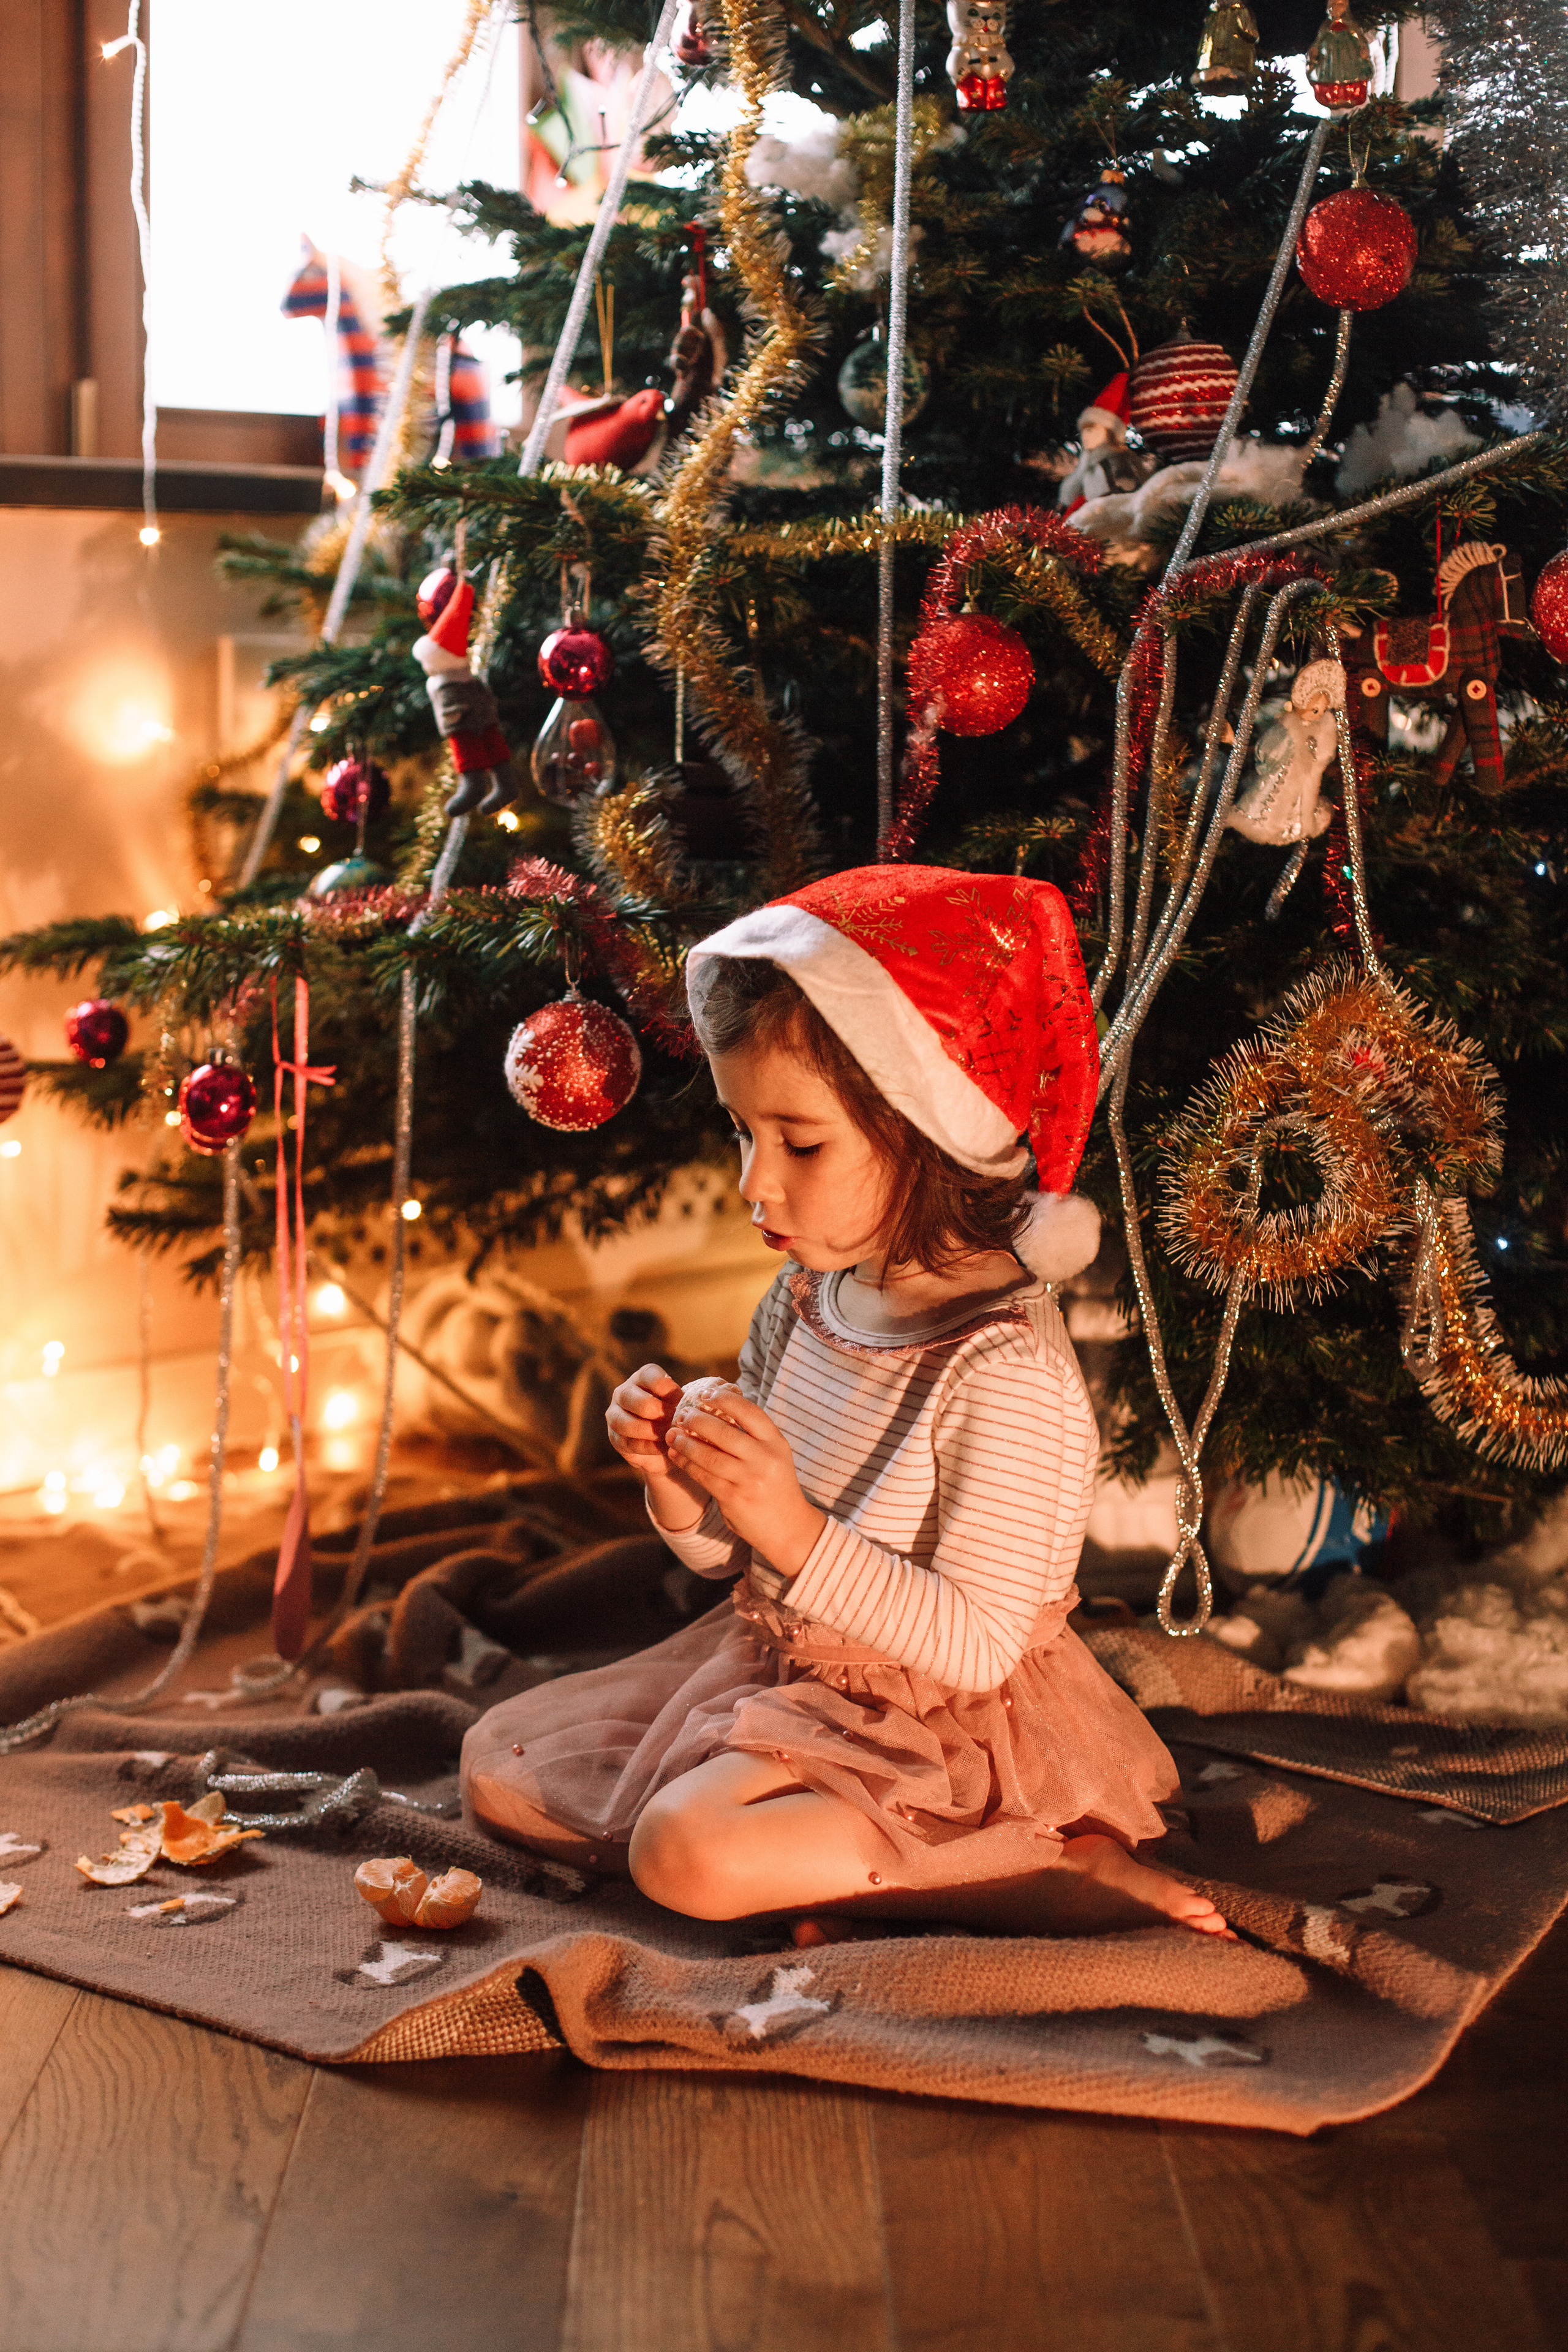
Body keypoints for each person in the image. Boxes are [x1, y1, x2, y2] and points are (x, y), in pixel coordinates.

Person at [462, 866, 1230, 1942]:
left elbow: (977, 1649)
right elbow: (735, 1558)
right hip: (784, 1669)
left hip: (944, 1728)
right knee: (506, 1768)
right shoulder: (808, 1299)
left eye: (801, 1143)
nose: (753, 1184)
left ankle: (1032, 1864)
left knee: (680, 1851)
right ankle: (848, 1876)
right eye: (743, 1134)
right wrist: (680, 1490)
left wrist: (790, 1525)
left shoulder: (1004, 1372)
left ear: (931, 1132)